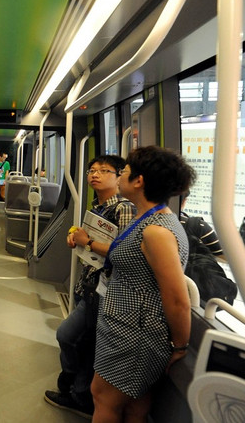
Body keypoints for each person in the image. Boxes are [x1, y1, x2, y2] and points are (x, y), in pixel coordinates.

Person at [91, 146, 194, 422]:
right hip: (127, 325)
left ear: (139, 181)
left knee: (103, 397)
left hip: (136, 333)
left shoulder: (157, 232)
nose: (120, 176)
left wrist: (181, 346)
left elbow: (177, 299)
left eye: (123, 172)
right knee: (135, 406)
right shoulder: (145, 218)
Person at [45, 155, 134, 419]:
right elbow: (90, 240)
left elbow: (125, 252)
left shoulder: (123, 208)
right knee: (70, 336)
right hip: (92, 285)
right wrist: (77, 237)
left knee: (81, 340)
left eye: (103, 171)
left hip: (109, 289)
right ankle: (74, 384)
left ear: (119, 176)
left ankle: (79, 394)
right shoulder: (97, 206)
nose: (94, 175)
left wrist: (89, 243)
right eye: (91, 170)